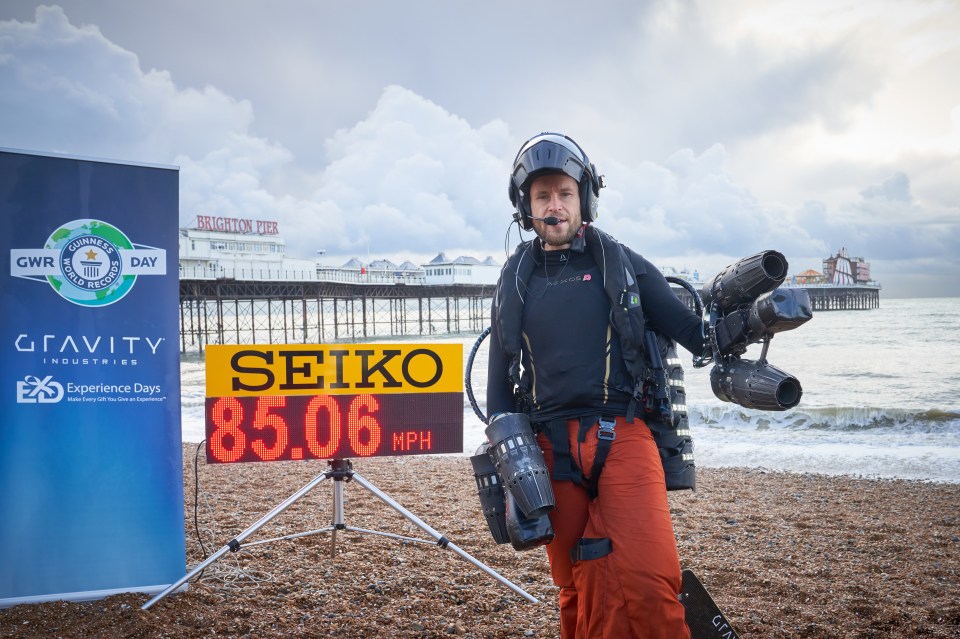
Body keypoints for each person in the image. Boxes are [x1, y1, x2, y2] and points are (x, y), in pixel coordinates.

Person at [486, 132, 707, 638]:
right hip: (547, 452)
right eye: (542, 196)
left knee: (651, 582)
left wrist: (746, 325)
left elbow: (694, 334)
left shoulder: (621, 262)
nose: (555, 205)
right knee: (574, 588)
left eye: (565, 192)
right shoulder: (513, 278)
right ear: (526, 207)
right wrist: (509, 471)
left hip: (624, 436)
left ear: (585, 197)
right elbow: (499, 392)